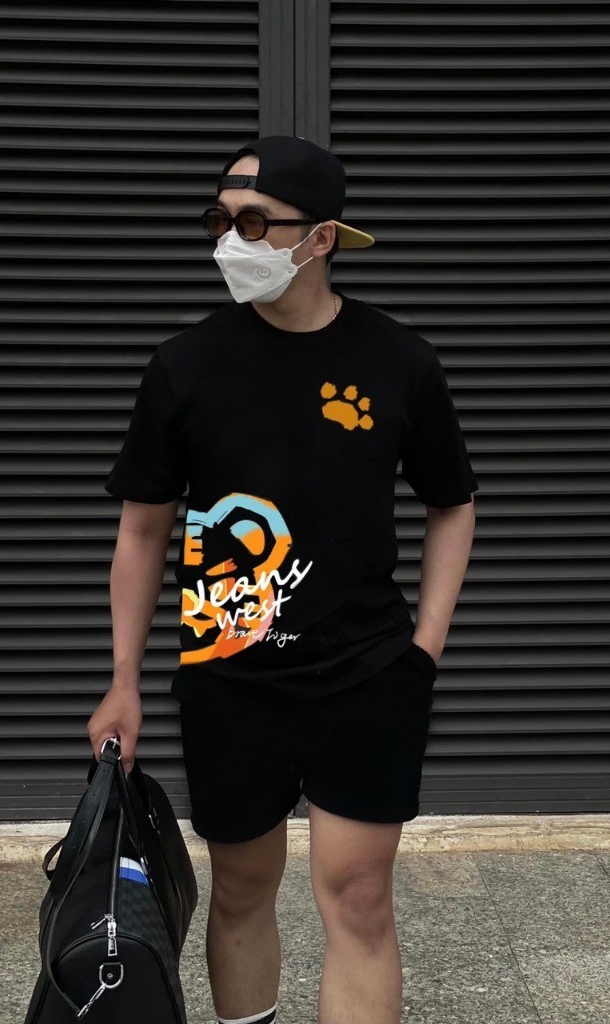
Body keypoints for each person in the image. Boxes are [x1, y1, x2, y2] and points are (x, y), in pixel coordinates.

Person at [87, 135, 478, 1024]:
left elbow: (453, 505)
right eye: (222, 220)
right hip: (229, 677)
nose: (234, 240)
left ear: (322, 237)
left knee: (361, 897)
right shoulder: (184, 366)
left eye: (257, 222)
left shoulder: (400, 362)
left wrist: (423, 651)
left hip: (368, 674)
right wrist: (123, 681)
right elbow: (142, 530)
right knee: (238, 891)